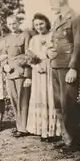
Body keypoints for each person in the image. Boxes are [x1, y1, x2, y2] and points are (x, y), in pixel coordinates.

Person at [46, 0, 80, 150]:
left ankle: (72, 142)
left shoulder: (76, 19)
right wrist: (48, 52)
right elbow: (53, 43)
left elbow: (79, 45)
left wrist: (73, 68)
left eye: (52, 3)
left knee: (68, 104)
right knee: (58, 104)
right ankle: (66, 138)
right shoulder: (57, 20)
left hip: (67, 67)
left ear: (61, 1)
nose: (50, 7)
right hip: (56, 65)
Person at [26, 13, 62, 141]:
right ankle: (42, 130)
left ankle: (53, 131)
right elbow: (30, 57)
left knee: (51, 96)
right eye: (36, 25)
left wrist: (46, 55)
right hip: (38, 71)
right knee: (40, 96)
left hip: (51, 68)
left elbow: (56, 52)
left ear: (46, 23)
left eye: (41, 23)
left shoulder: (53, 36)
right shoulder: (34, 39)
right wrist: (36, 66)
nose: (39, 27)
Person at [2, 15, 32, 138]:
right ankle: (18, 125)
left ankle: (24, 128)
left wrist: (27, 75)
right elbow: (4, 55)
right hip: (10, 73)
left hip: (21, 72)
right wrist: (5, 66)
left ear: (18, 23)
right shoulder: (7, 38)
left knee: (23, 100)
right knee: (14, 100)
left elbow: (29, 55)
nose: (12, 26)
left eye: (14, 23)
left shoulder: (25, 35)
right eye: (9, 24)